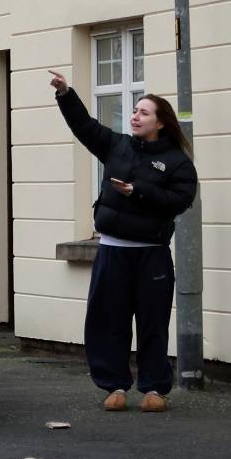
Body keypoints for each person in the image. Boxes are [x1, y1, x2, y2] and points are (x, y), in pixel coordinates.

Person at [49, 70, 198, 412]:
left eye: (144, 112)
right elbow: (85, 127)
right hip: (112, 253)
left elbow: (180, 200)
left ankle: (154, 390)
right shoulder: (117, 145)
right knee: (108, 322)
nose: (135, 115)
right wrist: (66, 94)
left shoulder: (177, 162)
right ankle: (114, 385)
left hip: (152, 256)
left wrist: (139, 192)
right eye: (134, 110)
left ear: (160, 123)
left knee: (152, 324)